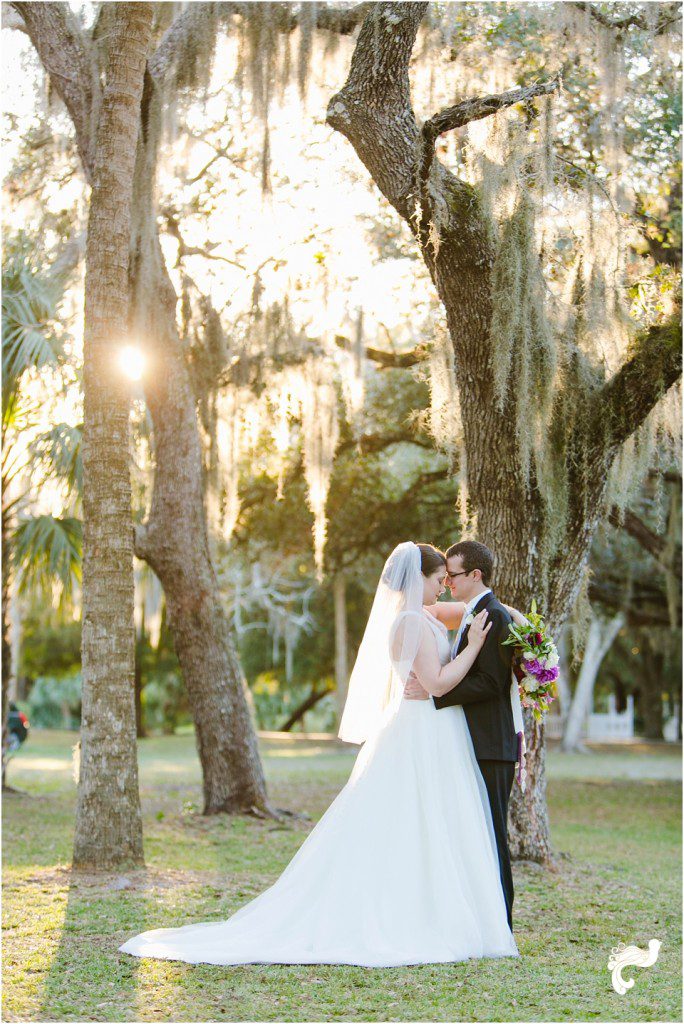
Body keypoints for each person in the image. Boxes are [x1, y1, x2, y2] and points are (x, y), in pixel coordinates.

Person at [118, 541, 520, 967]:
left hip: (438, 734)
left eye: (448, 579)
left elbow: (471, 610)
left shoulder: (426, 615)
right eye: (438, 579)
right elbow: (437, 685)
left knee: (436, 822)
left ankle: (449, 910)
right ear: (416, 578)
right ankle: (409, 915)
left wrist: (511, 615)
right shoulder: (409, 622)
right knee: (411, 820)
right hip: (420, 730)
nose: (443, 587)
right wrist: (474, 647)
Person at [404, 539, 529, 931]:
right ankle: (482, 920)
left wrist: (436, 693)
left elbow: (491, 683)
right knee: (479, 836)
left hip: (493, 744)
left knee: (493, 837)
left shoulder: (492, 615)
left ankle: (501, 925)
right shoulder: (478, 611)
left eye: (453, 575)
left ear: (475, 575)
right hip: (477, 742)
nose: (448, 582)